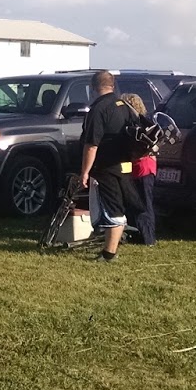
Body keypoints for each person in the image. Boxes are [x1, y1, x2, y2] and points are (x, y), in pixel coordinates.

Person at [78, 70, 138, 262]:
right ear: (112, 85)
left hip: (106, 167)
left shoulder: (98, 109)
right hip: (124, 166)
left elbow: (91, 145)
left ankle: (109, 254)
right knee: (117, 206)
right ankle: (109, 249)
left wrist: (85, 172)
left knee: (112, 209)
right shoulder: (125, 106)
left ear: (93, 87)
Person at [121, 93, 158, 246]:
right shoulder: (144, 123)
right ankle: (139, 232)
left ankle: (148, 237)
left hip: (142, 167)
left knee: (143, 203)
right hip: (145, 166)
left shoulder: (138, 125)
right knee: (138, 201)